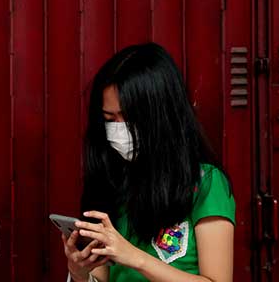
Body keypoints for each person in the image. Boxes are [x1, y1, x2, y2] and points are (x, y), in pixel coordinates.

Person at [63, 43, 235, 282]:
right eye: (109, 119)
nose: (119, 129)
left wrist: (135, 258)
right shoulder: (111, 181)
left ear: (162, 115)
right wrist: (79, 272)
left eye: (130, 118)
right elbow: (100, 277)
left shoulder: (205, 184)